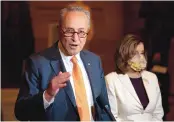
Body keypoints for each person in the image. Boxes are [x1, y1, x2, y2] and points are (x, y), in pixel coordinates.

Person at [15, 2, 112, 121]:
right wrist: (48, 95)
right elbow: (21, 112)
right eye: (69, 31)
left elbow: (103, 108)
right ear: (59, 30)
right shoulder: (38, 63)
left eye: (81, 32)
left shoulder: (94, 61)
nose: (75, 39)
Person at [105, 34, 164, 121]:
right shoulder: (111, 80)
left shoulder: (152, 78)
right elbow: (112, 117)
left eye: (142, 53)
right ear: (124, 55)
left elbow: (158, 114)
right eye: (135, 54)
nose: (141, 58)